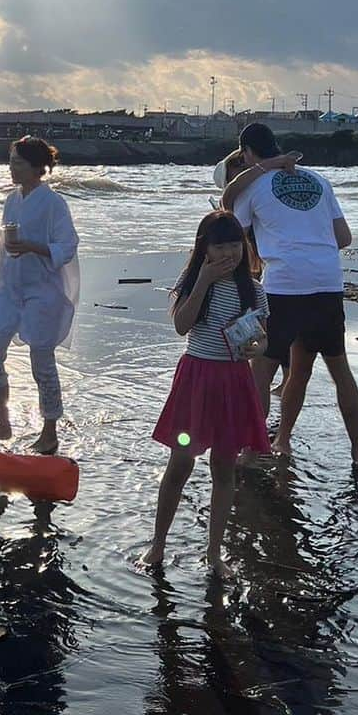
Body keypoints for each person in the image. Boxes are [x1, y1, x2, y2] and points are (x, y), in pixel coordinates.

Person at [222, 122, 358, 468]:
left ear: (246, 153)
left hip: (285, 284)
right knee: (329, 370)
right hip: (327, 282)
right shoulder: (318, 180)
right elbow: (343, 238)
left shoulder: (253, 186)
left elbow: (231, 222)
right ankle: (354, 451)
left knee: (263, 371)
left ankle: (253, 447)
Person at [140, 211, 270, 579]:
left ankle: (214, 553)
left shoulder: (254, 290)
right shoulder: (195, 281)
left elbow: (263, 338)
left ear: (245, 248)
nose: (228, 252)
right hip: (197, 378)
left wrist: (258, 348)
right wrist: (203, 281)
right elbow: (182, 326)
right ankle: (158, 543)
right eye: (220, 245)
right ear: (205, 249)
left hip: (233, 382)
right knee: (180, 462)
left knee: (224, 468)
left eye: (235, 245)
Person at [0, 137, 79, 454]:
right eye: (10, 161)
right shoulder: (12, 199)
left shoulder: (53, 203)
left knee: (41, 363)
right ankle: (3, 421)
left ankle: (50, 431)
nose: (11, 167)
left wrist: (34, 247)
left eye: (18, 163)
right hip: (10, 289)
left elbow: (68, 245)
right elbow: (4, 249)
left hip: (42, 291)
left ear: (39, 167)